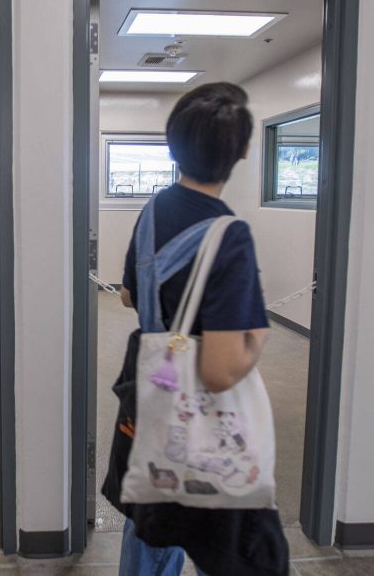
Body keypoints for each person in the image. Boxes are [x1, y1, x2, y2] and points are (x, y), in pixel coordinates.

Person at [101, 82, 289, 576]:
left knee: (152, 509)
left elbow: (127, 295)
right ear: (244, 151)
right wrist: (257, 339)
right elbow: (221, 369)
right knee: (215, 532)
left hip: (153, 395)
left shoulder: (154, 210)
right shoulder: (229, 234)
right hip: (205, 419)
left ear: (173, 145)